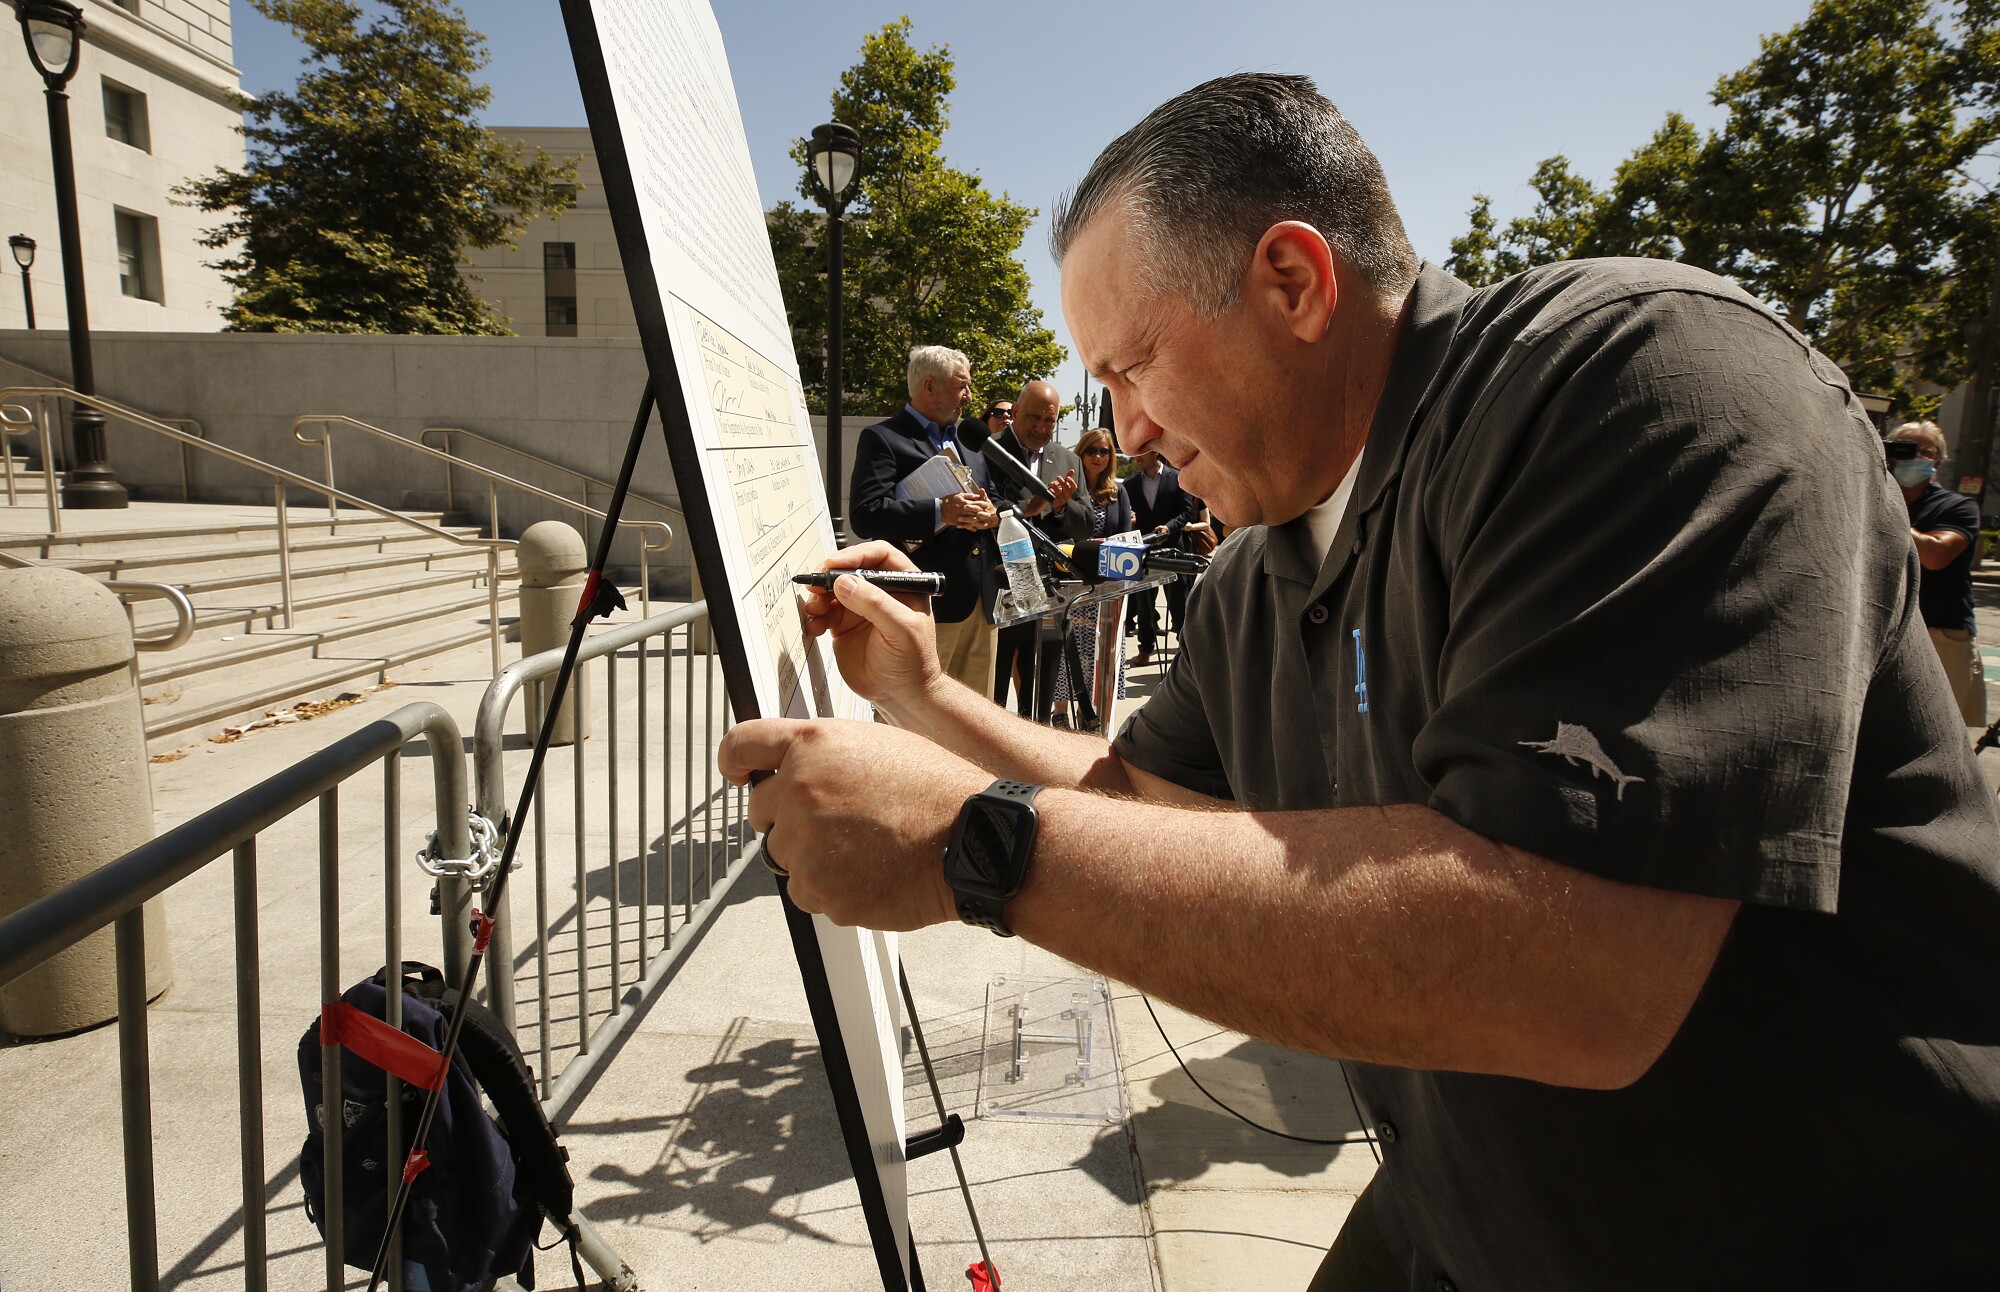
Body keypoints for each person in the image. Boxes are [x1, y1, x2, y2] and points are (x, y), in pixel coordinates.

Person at [726, 73, 2000, 1288]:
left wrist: (975, 846)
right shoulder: (1252, 571)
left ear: (1291, 279)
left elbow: (1575, 968)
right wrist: (923, 697)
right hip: (1464, 1219)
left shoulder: (1638, 375)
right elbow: (1132, 792)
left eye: (1129, 367)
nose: (1124, 434)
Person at [846, 345, 1000, 698]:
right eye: (962, 386)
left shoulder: (971, 443)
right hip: (924, 604)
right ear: (929, 386)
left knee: (978, 722)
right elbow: (866, 514)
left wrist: (993, 515)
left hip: (980, 606)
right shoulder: (884, 439)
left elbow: (994, 498)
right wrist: (938, 511)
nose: (969, 396)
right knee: (916, 716)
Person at [991, 380, 1088, 717]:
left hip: (1049, 594)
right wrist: (1027, 508)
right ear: (1015, 413)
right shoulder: (987, 452)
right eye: (1033, 418)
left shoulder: (1067, 459)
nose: (1041, 428)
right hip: (998, 593)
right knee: (993, 697)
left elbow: (1086, 521)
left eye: (1049, 421)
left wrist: (1061, 507)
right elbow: (987, 507)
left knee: (1038, 699)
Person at [1888, 419, 1987, 727]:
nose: (1915, 456)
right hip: (1885, 631)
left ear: (1939, 462)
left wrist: (1885, 509)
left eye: (1925, 451)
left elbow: (1935, 556)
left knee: (1937, 728)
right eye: (1905, 449)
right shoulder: (1869, 495)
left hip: (1940, 634)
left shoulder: (1958, 507)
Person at [1049, 427, 1133, 727]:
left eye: (1105, 451)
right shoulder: (1068, 489)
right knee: (1066, 651)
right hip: (1072, 582)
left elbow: (1124, 535)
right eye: (1092, 450)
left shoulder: (1119, 492)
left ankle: (1092, 713)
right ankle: (1059, 714)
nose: (1098, 457)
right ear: (1080, 453)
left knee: (1099, 653)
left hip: (1107, 585)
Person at [1120, 448, 1201, 665]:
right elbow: (1129, 519)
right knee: (1145, 604)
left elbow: (1185, 513)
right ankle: (1145, 649)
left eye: (1143, 452)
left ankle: (1186, 651)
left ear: (1156, 453)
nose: (1137, 456)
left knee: (1179, 602)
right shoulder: (1129, 484)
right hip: (1145, 554)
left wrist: (1168, 528)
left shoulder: (1177, 478)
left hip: (1174, 551)